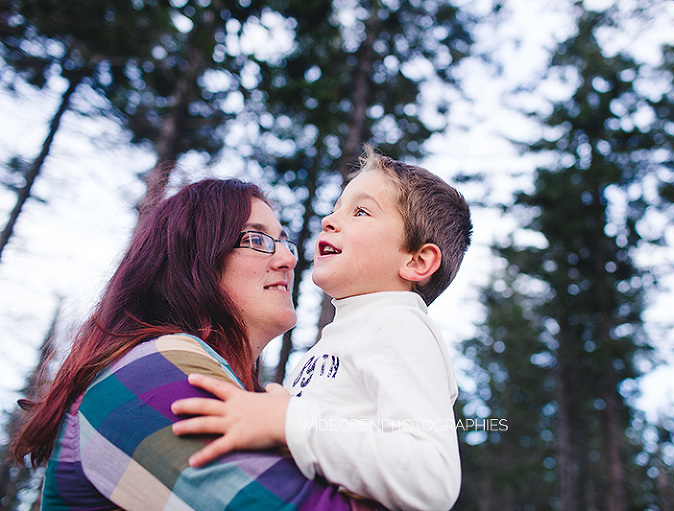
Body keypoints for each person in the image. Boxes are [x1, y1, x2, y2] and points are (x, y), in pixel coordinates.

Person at [11, 178, 377, 510]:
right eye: (257, 240)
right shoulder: (150, 372)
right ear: (194, 259)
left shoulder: (246, 397)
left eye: (283, 242)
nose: (288, 258)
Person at [171, 145, 473, 511]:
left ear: (417, 260)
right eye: (335, 208)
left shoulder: (399, 325)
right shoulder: (346, 335)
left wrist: (287, 421)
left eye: (360, 211)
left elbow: (431, 474)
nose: (329, 221)